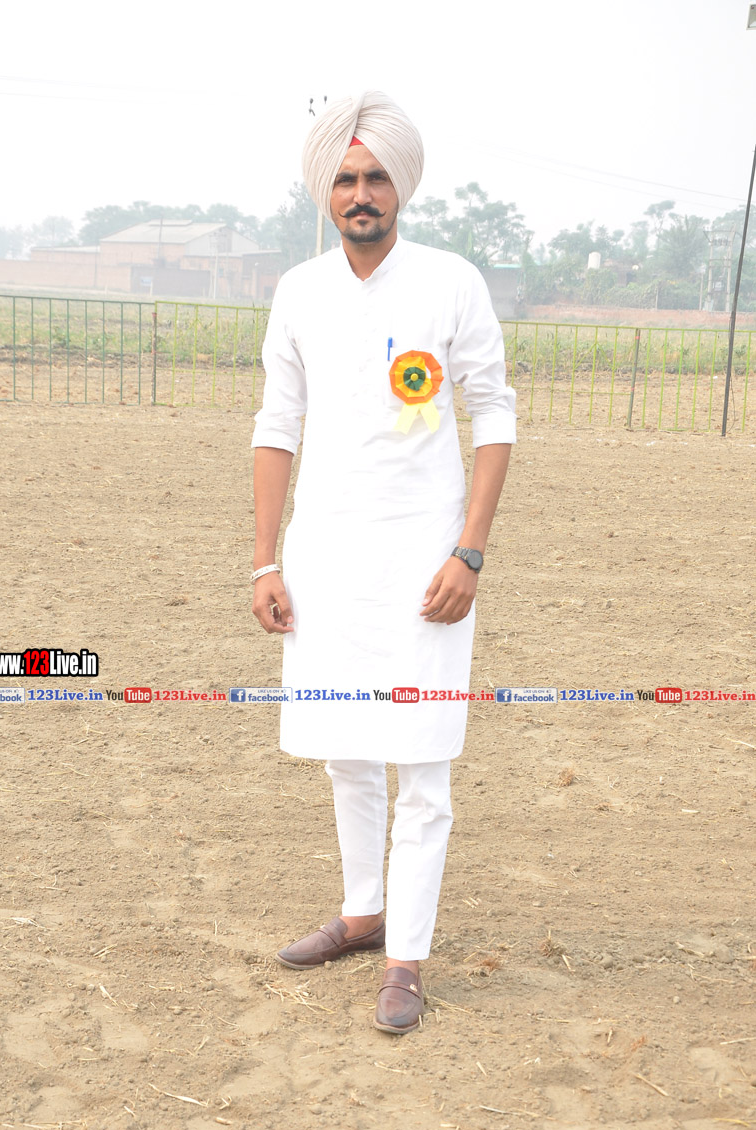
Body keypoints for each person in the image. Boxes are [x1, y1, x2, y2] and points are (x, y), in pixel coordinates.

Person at [251, 91, 515, 1035]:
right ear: (324, 192)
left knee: (423, 763)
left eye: (373, 178)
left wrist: (467, 551)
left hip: (425, 562)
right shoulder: (299, 290)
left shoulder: (451, 282)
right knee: (347, 752)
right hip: (323, 557)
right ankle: (361, 914)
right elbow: (276, 424)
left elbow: (494, 414)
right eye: (343, 179)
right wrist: (263, 563)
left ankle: (406, 957)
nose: (359, 193)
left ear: (399, 186)